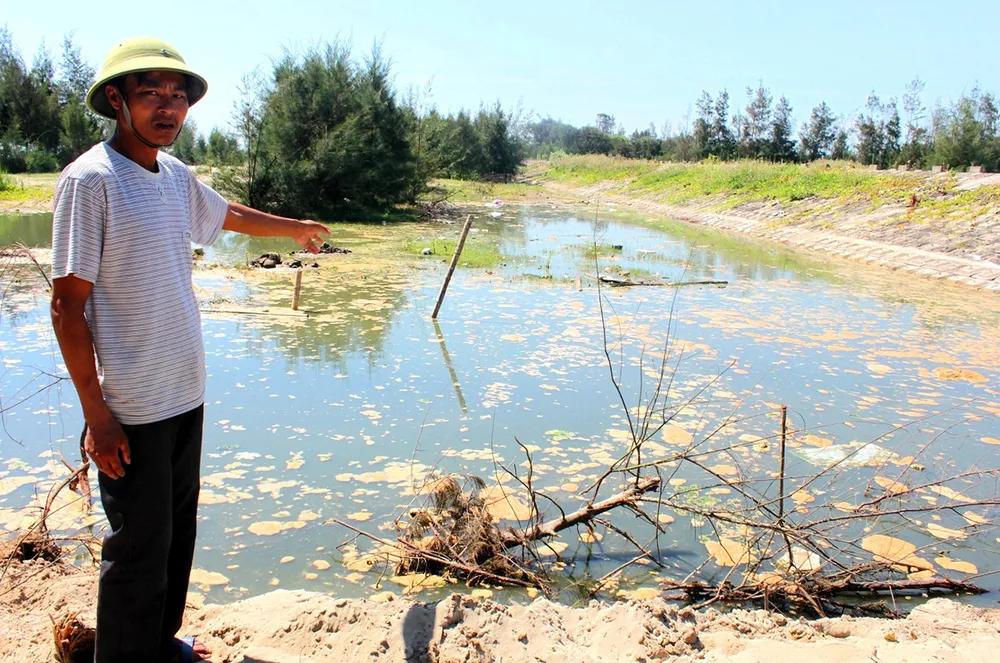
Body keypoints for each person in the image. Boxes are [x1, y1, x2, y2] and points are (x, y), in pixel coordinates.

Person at [49, 37, 329, 663]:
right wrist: (98, 415)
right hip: (132, 405)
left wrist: (296, 227)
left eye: (178, 96)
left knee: (176, 538)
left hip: (185, 392)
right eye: (151, 93)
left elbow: (224, 212)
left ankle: (157, 644)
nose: (169, 107)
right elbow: (67, 306)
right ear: (116, 100)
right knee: (137, 550)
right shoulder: (89, 181)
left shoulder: (173, 177)